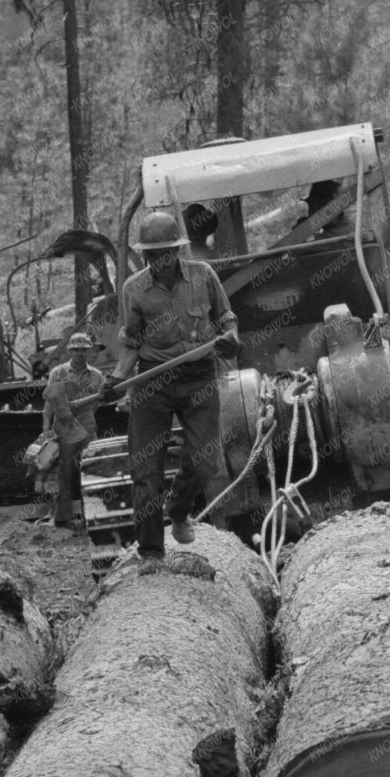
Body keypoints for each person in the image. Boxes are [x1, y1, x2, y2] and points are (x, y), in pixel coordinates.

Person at [112, 208, 239, 560]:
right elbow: (132, 341)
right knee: (145, 472)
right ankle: (151, 554)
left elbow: (226, 318)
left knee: (204, 463)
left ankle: (179, 510)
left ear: (178, 250)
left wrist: (231, 337)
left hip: (198, 376)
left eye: (164, 253)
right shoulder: (134, 289)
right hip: (153, 381)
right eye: (151, 255)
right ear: (144, 255)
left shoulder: (204, 276)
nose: (158, 260)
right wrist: (119, 377)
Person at [40, 331, 106, 532]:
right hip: (65, 432)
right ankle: (62, 519)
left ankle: (91, 518)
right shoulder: (58, 373)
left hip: (87, 431)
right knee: (65, 473)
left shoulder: (96, 375)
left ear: (90, 351)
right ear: (69, 350)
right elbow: (49, 406)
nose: (79, 353)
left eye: (84, 350)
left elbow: (96, 404)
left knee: (90, 472)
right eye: (75, 349)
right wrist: (46, 430)